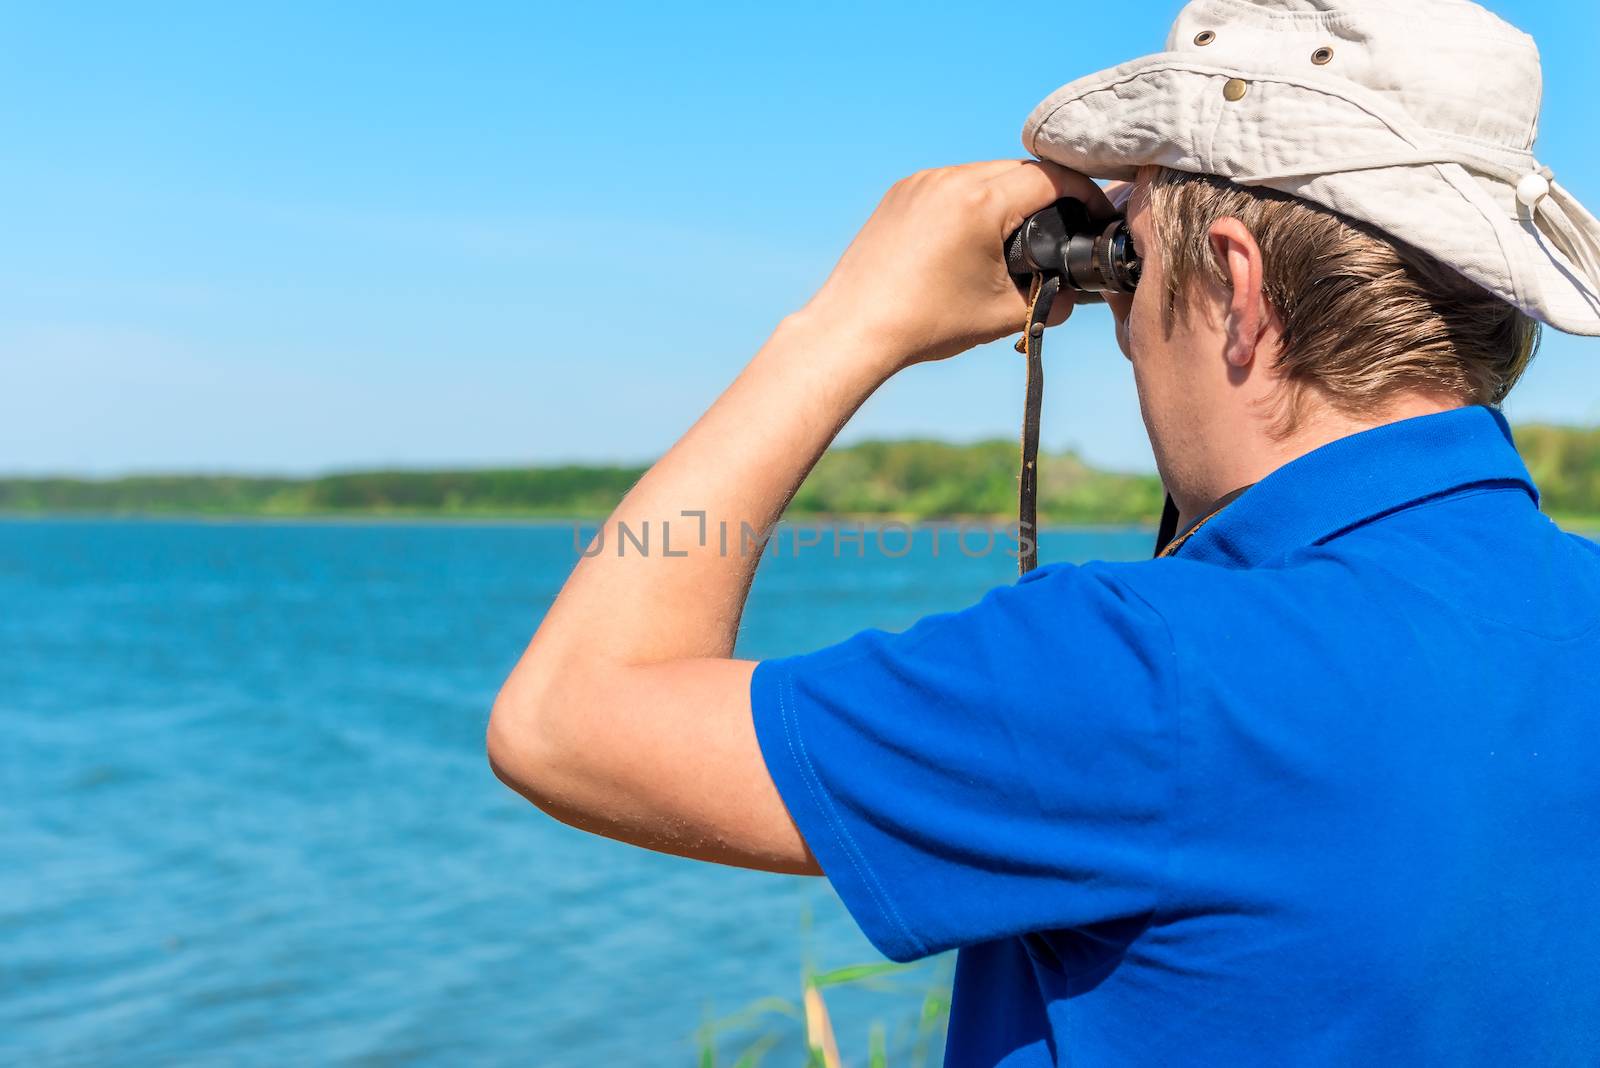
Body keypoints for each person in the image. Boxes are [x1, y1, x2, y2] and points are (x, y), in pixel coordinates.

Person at [488, 0, 1600, 1062]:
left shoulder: (1142, 673)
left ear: (1238, 284)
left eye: (1126, 263)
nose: (1117, 320)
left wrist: (846, 324)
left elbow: (563, 722)